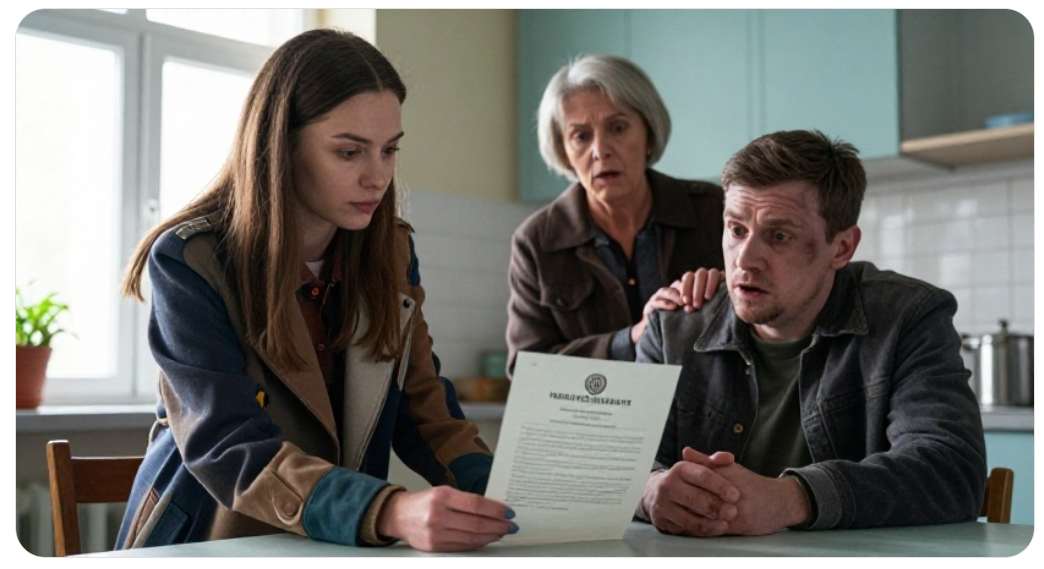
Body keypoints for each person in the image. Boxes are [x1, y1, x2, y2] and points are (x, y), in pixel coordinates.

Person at [116, 29, 516, 553]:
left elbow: (425, 411)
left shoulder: (391, 252)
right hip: (205, 543)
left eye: (390, 150)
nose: (378, 177)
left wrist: (502, 497)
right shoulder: (190, 259)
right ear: (280, 147)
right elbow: (229, 444)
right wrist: (388, 510)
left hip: (331, 544)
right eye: (349, 152)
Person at [636, 129, 986, 535]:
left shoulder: (908, 318)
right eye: (736, 230)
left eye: (779, 236)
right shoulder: (672, 327)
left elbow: (951, 471)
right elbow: (618, 462)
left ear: (842, 248)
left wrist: (791, 499)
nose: (745, 260)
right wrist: (649, 491)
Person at [506, 54, 724, 377]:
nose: (600, 151)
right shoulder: (537, 240)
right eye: (581, 136)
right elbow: (527, 369)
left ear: (649, 133)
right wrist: (630, 339)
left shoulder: (713, 210)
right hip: (595, 411)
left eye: (618, 128)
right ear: (564, 152)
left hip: (702, 407)